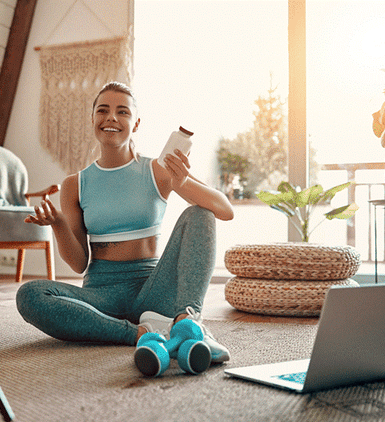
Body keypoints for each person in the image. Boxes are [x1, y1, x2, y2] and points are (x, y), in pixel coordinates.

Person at [16, 81, 234, 363]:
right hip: (101, 296)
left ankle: (187, 324)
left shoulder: (158, 169)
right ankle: (140, 333)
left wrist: (182, 184)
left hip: (153, 290)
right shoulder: (75, 184)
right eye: (103, 110)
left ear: (136, 123)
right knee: (29, 295)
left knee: (200, 212)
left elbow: (225, 210)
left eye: (122, 112)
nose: (111, 118)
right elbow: (79, 263)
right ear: (93, 119)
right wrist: (58, 223)